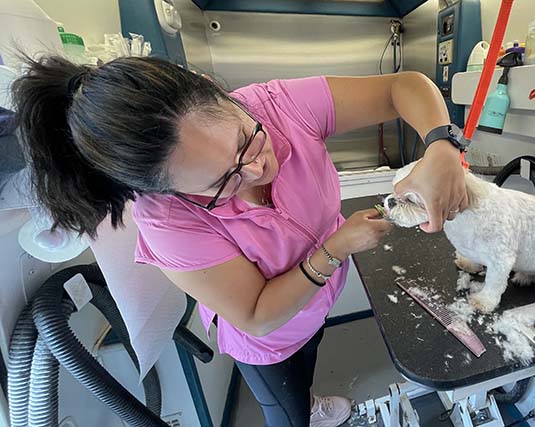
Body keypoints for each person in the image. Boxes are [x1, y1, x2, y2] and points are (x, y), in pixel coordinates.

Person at [12, 54, 467, 426]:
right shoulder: (168, 220)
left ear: (216, 91)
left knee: (307, 363)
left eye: (246, 141)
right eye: (222, 180)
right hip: (269, 340)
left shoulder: (277, 104)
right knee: (285, 409)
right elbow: (256, 315)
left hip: (315, 304)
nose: (256, 170)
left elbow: (401, 86)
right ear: (165, 190)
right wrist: (337, 248)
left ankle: (306, 401)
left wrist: (442, 148)